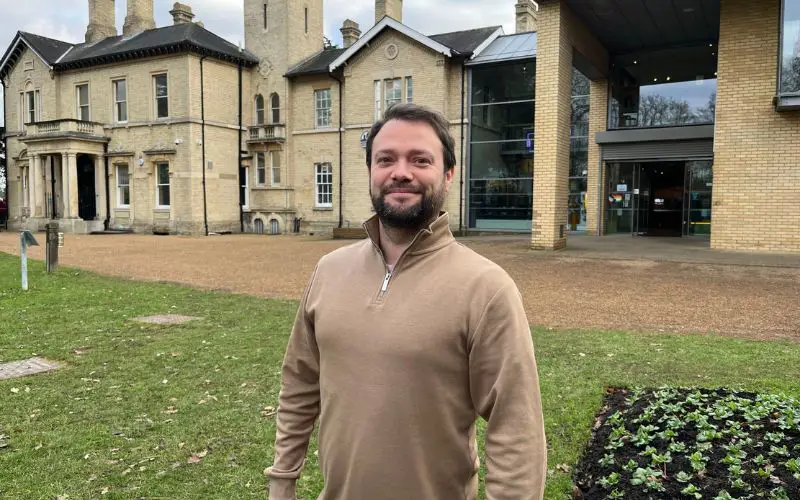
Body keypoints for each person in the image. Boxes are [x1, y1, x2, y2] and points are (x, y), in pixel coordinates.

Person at [266, 103, 547, 499]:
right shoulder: (328, 270)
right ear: (370, 172)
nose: (401, 172)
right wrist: (282, 481)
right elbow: (299, 382)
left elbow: (516, 428)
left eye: (420, 160)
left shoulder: (486, 288)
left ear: (448, 174)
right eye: (386, 159)